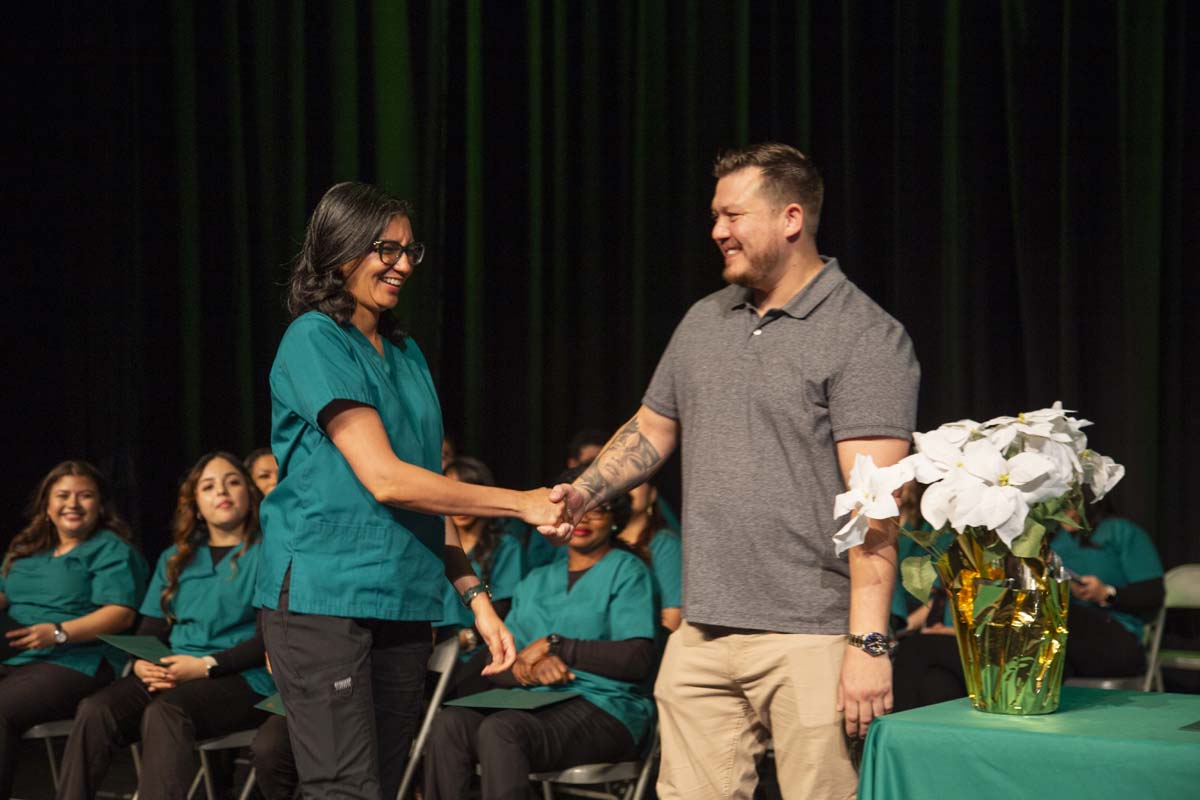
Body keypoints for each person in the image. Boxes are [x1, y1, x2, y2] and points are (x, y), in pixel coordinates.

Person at [540, 142, 920, 799]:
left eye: (733, 215)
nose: (717, 230)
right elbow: (653, 428)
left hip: (812, 636)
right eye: (716, 216)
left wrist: (868, 642)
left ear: (791, 219)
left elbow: (874, 505)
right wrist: (583, 491)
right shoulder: (704, 321)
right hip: (705, 632)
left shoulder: (864, 336)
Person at [256, 181, 563, 800]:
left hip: (400, 600)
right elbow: (387, 479)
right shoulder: (315, 338)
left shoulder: (405, 350)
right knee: (346, 788)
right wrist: (523, 502)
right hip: (324, 598)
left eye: (407, 250)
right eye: (383, 249)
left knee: (391, 784)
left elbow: (432, 490)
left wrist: (475, 596)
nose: (400, 265)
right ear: (337, 251)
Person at [424, 467, 657, 799]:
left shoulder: (627, 571)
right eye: (577, 510)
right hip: (534, 702)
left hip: (606, 706)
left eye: (599, 510)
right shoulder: (537, 580)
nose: (586, 519)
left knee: (502, 731)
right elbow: (500, 662)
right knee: (450, 724)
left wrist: (557, 647)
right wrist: (527, 670)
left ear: (615, 518)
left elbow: (637, 660)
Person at [58, 451, 273, 800]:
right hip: (175, 668)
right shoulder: (176, 557)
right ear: (196, 504)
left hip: (242, 677)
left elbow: (268, 640)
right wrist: (145, 664)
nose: (222, 492)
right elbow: (151, 631)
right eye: (209, 486)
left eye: (233, 482)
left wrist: (205, 665)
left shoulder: (268, 554)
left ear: (250, 494)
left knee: (167, 712)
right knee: (95, 710)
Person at [891, 493, 1165, 711]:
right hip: (1049, 649)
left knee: (1045, 607)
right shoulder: (1041, 537)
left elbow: (1153, 593)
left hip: (1107, 638)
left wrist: (1106, 593)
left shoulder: (1118, 531)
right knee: (928, 665)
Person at [0, 461, 147, 800]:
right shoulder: (26, 550)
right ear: (46, 505)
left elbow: (121, 615)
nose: (73, 504)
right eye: (63, 495)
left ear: (101, 504)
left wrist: (58, 632)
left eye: (85, 496)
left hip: (77, 660)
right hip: (18, 655)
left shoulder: (112, 550)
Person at [437, 457, 526, 695]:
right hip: (432, 643)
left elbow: (504, 605)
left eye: (466, 492)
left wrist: (466, 639)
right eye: (451, 492)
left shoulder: (505, 546)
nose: (459, 503)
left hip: (475, 647)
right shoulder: (435, 545)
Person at [620, 483, 682, 632]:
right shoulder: (601, 541)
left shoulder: (664, 543)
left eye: (636, 482)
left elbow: (673, 615)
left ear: (652, 494)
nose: (627, 487)